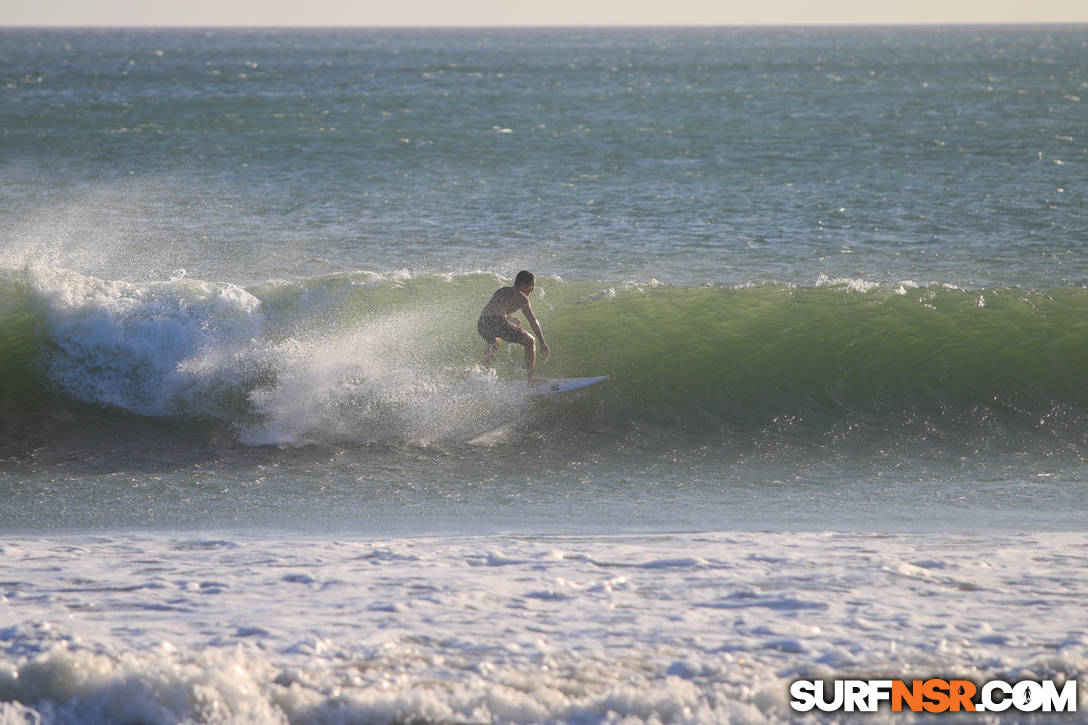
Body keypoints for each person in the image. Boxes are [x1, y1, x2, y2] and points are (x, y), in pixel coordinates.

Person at [477, 270, 551, 382]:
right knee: (530, 341)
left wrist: (509, 317)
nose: (533, 289)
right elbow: (533, 320)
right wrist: (543, 342)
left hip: (482, 322)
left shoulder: (501, 291)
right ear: (523, 284)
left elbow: (494, 310)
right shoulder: (522, 298)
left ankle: (481, 372)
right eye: (531, 285)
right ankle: (531, 379)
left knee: (495, 341)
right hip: (497, 321)